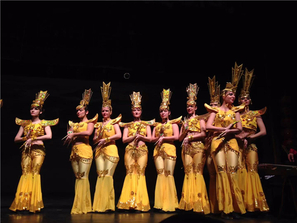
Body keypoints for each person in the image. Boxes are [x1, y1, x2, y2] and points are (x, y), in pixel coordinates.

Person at [205, 62, 246, 219]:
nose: (233, 97)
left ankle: (236, 207)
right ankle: (224, 208)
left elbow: (240, 129)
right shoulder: (215, 110)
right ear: (223, 96)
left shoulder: (236, 111)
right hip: (217, 143)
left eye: (234, 95)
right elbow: (209, 126)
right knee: (221, 171)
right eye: (230, 95)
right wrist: (224, 129)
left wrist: (230, 130)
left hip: (232, 143)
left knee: (233, 172)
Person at [10, 91, 59, 213]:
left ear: (41, 111)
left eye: (36, 109)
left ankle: (34, 203)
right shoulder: (24, 123)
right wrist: (25, 138)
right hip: (26, 150)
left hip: (38, 150)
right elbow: (16, 139)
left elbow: (49, 136)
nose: (33, 110)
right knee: (25, 172)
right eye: (32, 109)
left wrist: (34, 138)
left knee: (35, 172)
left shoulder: (44, 123)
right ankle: (22, 202)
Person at [235, 68, 269, 213]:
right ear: (239, 100)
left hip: (251, 145)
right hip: (238, 145)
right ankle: (242, 205)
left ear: (250, 100)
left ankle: (255, 205)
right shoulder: (236, 114)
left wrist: (250, 137)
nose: (245, 100)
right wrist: (240, 137)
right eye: (242, 98)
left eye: (247, 98)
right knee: (240, 171)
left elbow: (263, 131)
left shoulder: (256, 114)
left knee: (252, 171)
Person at [117, 92, 154, 211]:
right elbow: (123, 139)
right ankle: (128, 202)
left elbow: (150, 138)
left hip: (142, 150)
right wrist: (134, 137)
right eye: (134, 110)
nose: (136, 112)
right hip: (130, 150)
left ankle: (140, 202)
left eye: (138, 110)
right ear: (132, 112)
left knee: (140, 173)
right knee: (130, 173)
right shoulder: (128, 125)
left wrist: (141, 137)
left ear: (141, 111)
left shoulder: (146, 124)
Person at [64, 88, 98, 214]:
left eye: (81, 110)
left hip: (85, 150)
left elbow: (88, 133)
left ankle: (84, 205)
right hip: (74, 151)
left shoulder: (90, 122)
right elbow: (70, 133)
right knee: (78, 177)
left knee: (83, 177)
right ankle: (78, 204)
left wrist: (74, 134)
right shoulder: (74, 124)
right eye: (77, 110)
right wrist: (69, 135)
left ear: (86, 111)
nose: (79, 112)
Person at [178, 83, 210, 214]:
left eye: (191, 106)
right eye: (187, 106)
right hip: (186, 149)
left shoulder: (200, 119)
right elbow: (179, 138)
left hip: (198, 148)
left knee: (197, 172)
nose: (189, 108)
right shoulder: (184, 122)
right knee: (188, 173)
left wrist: (190, 138)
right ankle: (188, 203)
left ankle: (199, 203)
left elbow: (203, 134)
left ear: (195, 107)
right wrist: (185, 132)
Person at [93, 82, 122, 212]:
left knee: (108, 175)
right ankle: (99, 204)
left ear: (111, 111)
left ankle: (108, 205)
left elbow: (119, 135)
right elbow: (94, 140)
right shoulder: (98, 125)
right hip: (99, 151)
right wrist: (98, 136)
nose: (104, 113)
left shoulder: (114, 122)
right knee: (101, 175)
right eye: (103, 111)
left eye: (107, 111)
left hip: (111, 149)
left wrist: (106, 139)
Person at [152, 88, 181, 212]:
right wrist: (158, 138)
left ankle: (170, 203)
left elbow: (177, 136)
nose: (163, 113)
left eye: (165, 111)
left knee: (169, 174)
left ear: (169, 112)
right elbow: (152, 139)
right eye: (161, 111)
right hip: (158, 151)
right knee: (161, 174)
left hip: (169, 148)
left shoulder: (174, 124)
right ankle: (160, 203)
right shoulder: (157, 125)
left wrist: (164, 139)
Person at [205, 76, 221, 214]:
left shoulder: (222, 115)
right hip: (208, 147)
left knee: (221, 173)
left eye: (215, 105)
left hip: (220, 145)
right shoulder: (205, 117)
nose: (213, 107)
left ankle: (222, 203)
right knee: (212, 175)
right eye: (211, 105)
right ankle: (213, 205)